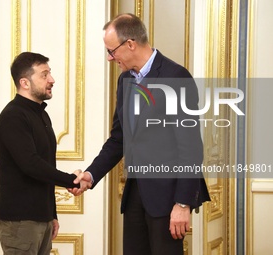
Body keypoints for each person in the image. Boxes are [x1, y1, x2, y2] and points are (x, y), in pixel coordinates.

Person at [70, 13, 210, 255]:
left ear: (131, 44)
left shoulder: (175, 77)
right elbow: (119, 139)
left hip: (168, 199)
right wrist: (91, 175)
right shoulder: (125, 80)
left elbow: (191, 147)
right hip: (135, 197)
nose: (109, 58)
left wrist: (182, 203)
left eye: (111, 51)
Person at [0, 52, 89, 255]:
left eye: (50, 74)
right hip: (20, 219)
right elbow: (31, 164)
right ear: (25, 83)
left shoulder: (41, 115)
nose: (52, 80)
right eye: (44, 75)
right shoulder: (13, 116)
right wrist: (72, 180)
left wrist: (51, 214)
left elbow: (46, 166)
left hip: (41, 216)